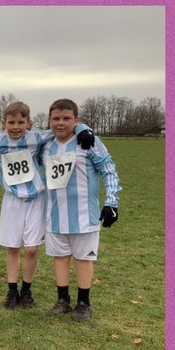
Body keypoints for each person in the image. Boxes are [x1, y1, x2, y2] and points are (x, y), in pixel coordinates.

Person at [38, 99, 120, 322]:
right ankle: (62, 300)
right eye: (56, 118)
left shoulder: (89, 141)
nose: (61, 123)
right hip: (55, 214)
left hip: (85, 215)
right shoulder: (45, 145)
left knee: (83, 259)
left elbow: (109, 170)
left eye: (67, 118)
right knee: (60, 257)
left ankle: (84, 303)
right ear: (49, 120)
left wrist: (112, 202)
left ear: (77, 120)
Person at [0, 101, 52, 308]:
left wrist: (84, 129)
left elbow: (62, 128)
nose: (16, 127)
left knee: (32, 249)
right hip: (12, 200)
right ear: (3, 123)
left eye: (20, 122)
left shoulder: (36, 137)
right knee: (13, 246)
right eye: (11, 122)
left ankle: (26, 291)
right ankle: (11, 291)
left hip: (36, 199)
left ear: (29, 122)